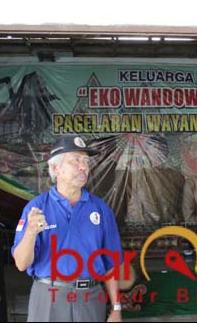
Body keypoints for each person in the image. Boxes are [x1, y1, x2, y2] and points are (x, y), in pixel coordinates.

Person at [12, 135, 124, 322]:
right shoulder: (36, 208)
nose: (83, 167)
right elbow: (21, 264)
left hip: (90, 297)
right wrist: (31, 232)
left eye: (86, 162)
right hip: (48, 296)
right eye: (75, 161)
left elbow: (111, 263)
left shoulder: (101, 209)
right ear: (56, 168)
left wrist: (116, 308)